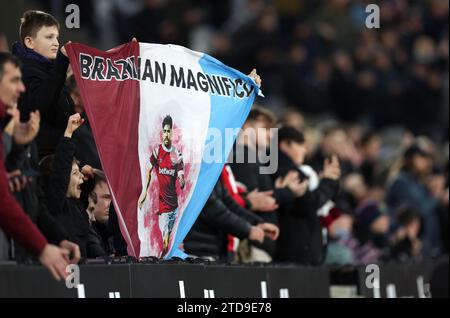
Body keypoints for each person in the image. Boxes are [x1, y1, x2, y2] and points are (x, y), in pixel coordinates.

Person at [0, 52, 71, 280]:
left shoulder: (10, 130)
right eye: (13, 80)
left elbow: (19, 188)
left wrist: (19, 148)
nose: (21, 88)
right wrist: (42, 248)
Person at [273, 126, 340, 265]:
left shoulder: (283, 166)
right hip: (294, 252)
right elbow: (308, 203)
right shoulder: (285, 168)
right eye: (301, 145)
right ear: (285, 145)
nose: (305, 150)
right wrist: (328, 182)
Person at [40, 113, 105, 259]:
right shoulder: (53, 205)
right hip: (62, 277)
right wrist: (68, 134)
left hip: (83, 278)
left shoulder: (77, 208)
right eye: (75, 173)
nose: (81, 177)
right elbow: (60, 175)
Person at [12, 10, 74, 159]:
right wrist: (61, 63)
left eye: (57, 37)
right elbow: (42, 104)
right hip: (39, 166)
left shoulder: (49, 71)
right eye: (49, 37)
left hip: (58, 161)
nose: (56, 43)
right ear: (29, 42)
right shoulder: (22, 72)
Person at [138, 115, 185, 257]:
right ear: (162, 132)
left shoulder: (176, 153)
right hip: (163, 207)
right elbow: (148, 170)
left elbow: (181, 175)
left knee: (171, 241)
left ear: (172, 132)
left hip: (175, 207)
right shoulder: (157, 152)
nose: (166, 134)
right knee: (165, 243)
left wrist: (182, 180)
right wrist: (144, 193)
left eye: (168, 131)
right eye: (164, 131)